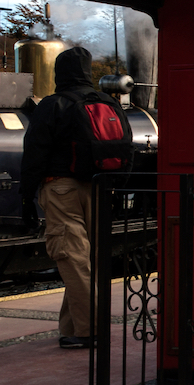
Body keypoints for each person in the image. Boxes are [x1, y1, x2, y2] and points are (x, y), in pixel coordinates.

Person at [21, 46, 132, 349]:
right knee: (87, 261)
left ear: (60, 73)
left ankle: (90, 331)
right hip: (100, 187)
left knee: (71, 258)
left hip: (61, 189)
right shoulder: (108, 102)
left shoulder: (53, 104)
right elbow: (126, 147)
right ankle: (73, 327)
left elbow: (34, 153)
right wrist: (118, 188)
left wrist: (25, 196)